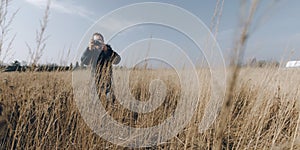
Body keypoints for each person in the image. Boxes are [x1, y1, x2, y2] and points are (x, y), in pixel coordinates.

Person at [81, 32, 121, 100]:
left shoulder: (107, 50)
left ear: (103, 41)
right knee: (95, 103)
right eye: (96, 40)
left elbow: (117, 60)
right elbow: (84, 61)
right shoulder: (91, 51)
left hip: (107, 83)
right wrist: (89, 50)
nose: (98, 42)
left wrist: (107, 51)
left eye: (99, 40)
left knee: (110, 103)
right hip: (94, 83)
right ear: (92, 41)